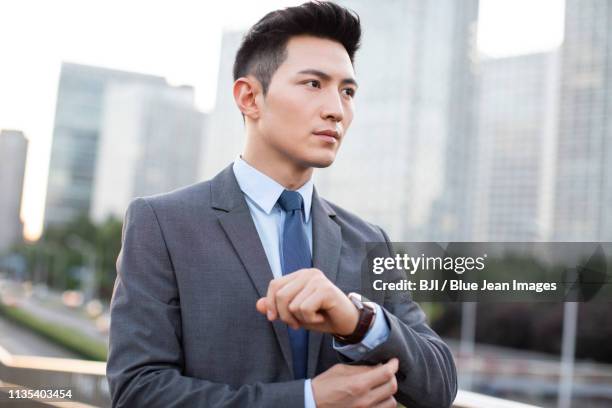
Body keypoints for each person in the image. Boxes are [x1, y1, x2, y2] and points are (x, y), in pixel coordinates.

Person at [106, 1, 457, 407]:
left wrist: (357, 321)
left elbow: (439, 387)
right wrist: (308, 400)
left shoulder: (367, 240)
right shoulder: (163, 224)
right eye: (313, 84)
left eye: (348, 91)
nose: (336, 110)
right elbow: (138, 393)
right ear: (249, 97)